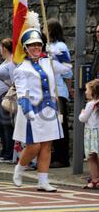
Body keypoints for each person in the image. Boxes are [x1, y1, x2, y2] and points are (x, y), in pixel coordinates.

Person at [12, 15, 72, 192]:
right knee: (34, 146)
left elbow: (67, 67)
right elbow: (22, 92)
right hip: (32, 111)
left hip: (49, 110)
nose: (36, 48)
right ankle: (20, 168)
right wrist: (27, 110)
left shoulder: (49, 62)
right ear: (25, 48)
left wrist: (58, 54)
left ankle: (43, 181)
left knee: (47, 145)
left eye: (38, 45)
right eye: (32, 45)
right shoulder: (21, 69)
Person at [47, 19, 73, 168]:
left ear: (51, 30)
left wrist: (68, 90)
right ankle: (53, 156)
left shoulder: (60, 46)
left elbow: (67, 70)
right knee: (51, 125)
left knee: (60, 124)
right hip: (49, 91)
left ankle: (62, 158)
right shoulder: (47, 46)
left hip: (58, 91)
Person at [79, 79, 99, 189]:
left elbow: (83, 119)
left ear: (94, 92)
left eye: (87, 90)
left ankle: (95, 179)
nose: (85, 92)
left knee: (91, 157)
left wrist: (82, 113)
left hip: (91, 133)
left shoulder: (90, 104)